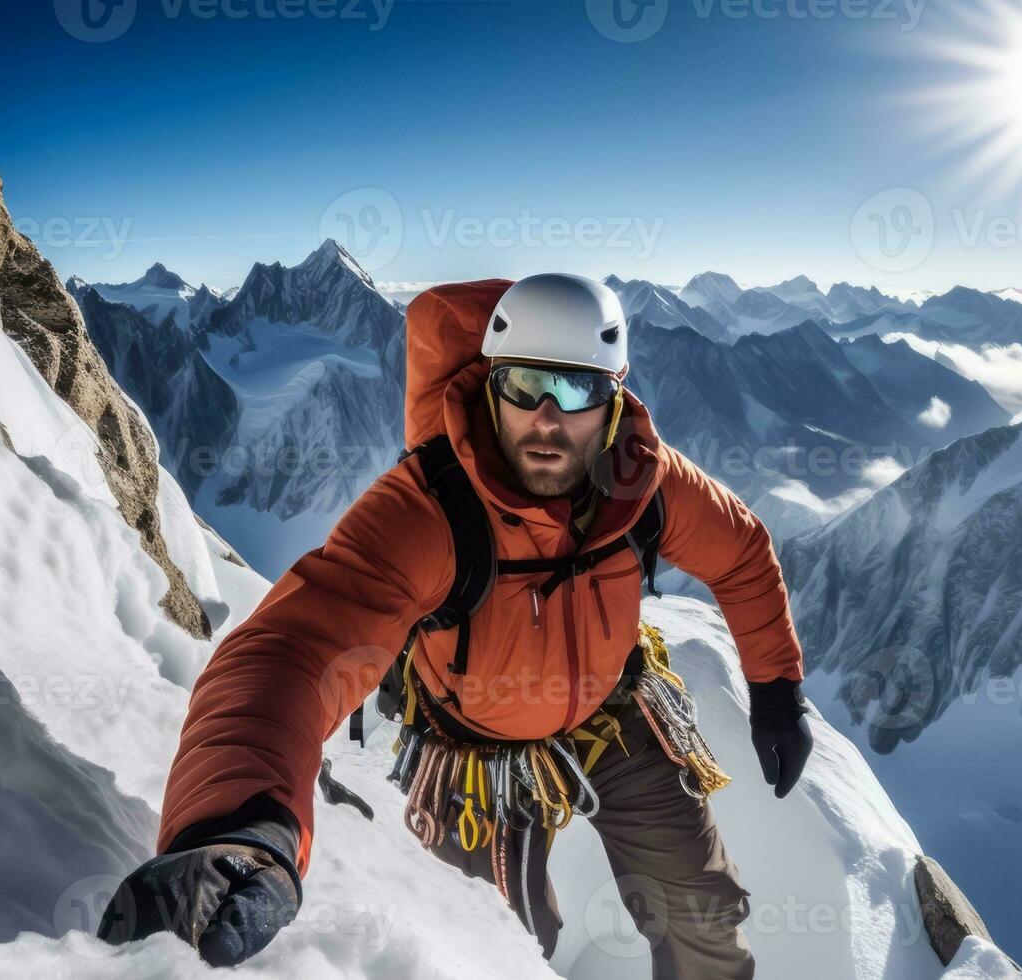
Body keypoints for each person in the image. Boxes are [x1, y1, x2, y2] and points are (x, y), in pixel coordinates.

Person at [98, 273, 813, 977]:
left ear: (616, 399)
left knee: (703, 916)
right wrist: (240, 825)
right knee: (499, 953)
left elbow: (742, 552)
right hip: (476, 755)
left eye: (576, 391)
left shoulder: (647, 485)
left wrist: (777, 688)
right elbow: (290, 654)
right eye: (523, 386)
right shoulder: (428, 511)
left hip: (615, 713)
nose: (546, 419)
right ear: (490, 382)